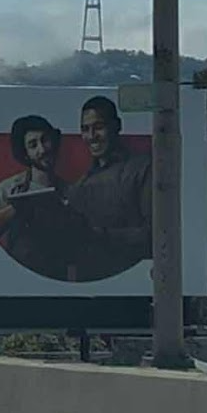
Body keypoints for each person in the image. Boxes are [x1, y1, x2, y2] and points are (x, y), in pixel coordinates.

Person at [0, 115, 87, 280]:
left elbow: (80, 250)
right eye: (33, 145)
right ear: (25, 154)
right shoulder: (8, 189)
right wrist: (15, 207)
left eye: (45, 140)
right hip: (17, 280)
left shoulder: (72, 192)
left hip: (56, 280)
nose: (42, 149)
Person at [65, 95, 152, 279]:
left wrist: (101, 235)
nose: (91, 137)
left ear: (117, 126)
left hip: (133, 284)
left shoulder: (142, 168)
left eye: (98, 127)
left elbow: (154, 234)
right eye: (85, 129)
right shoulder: (78, 187)